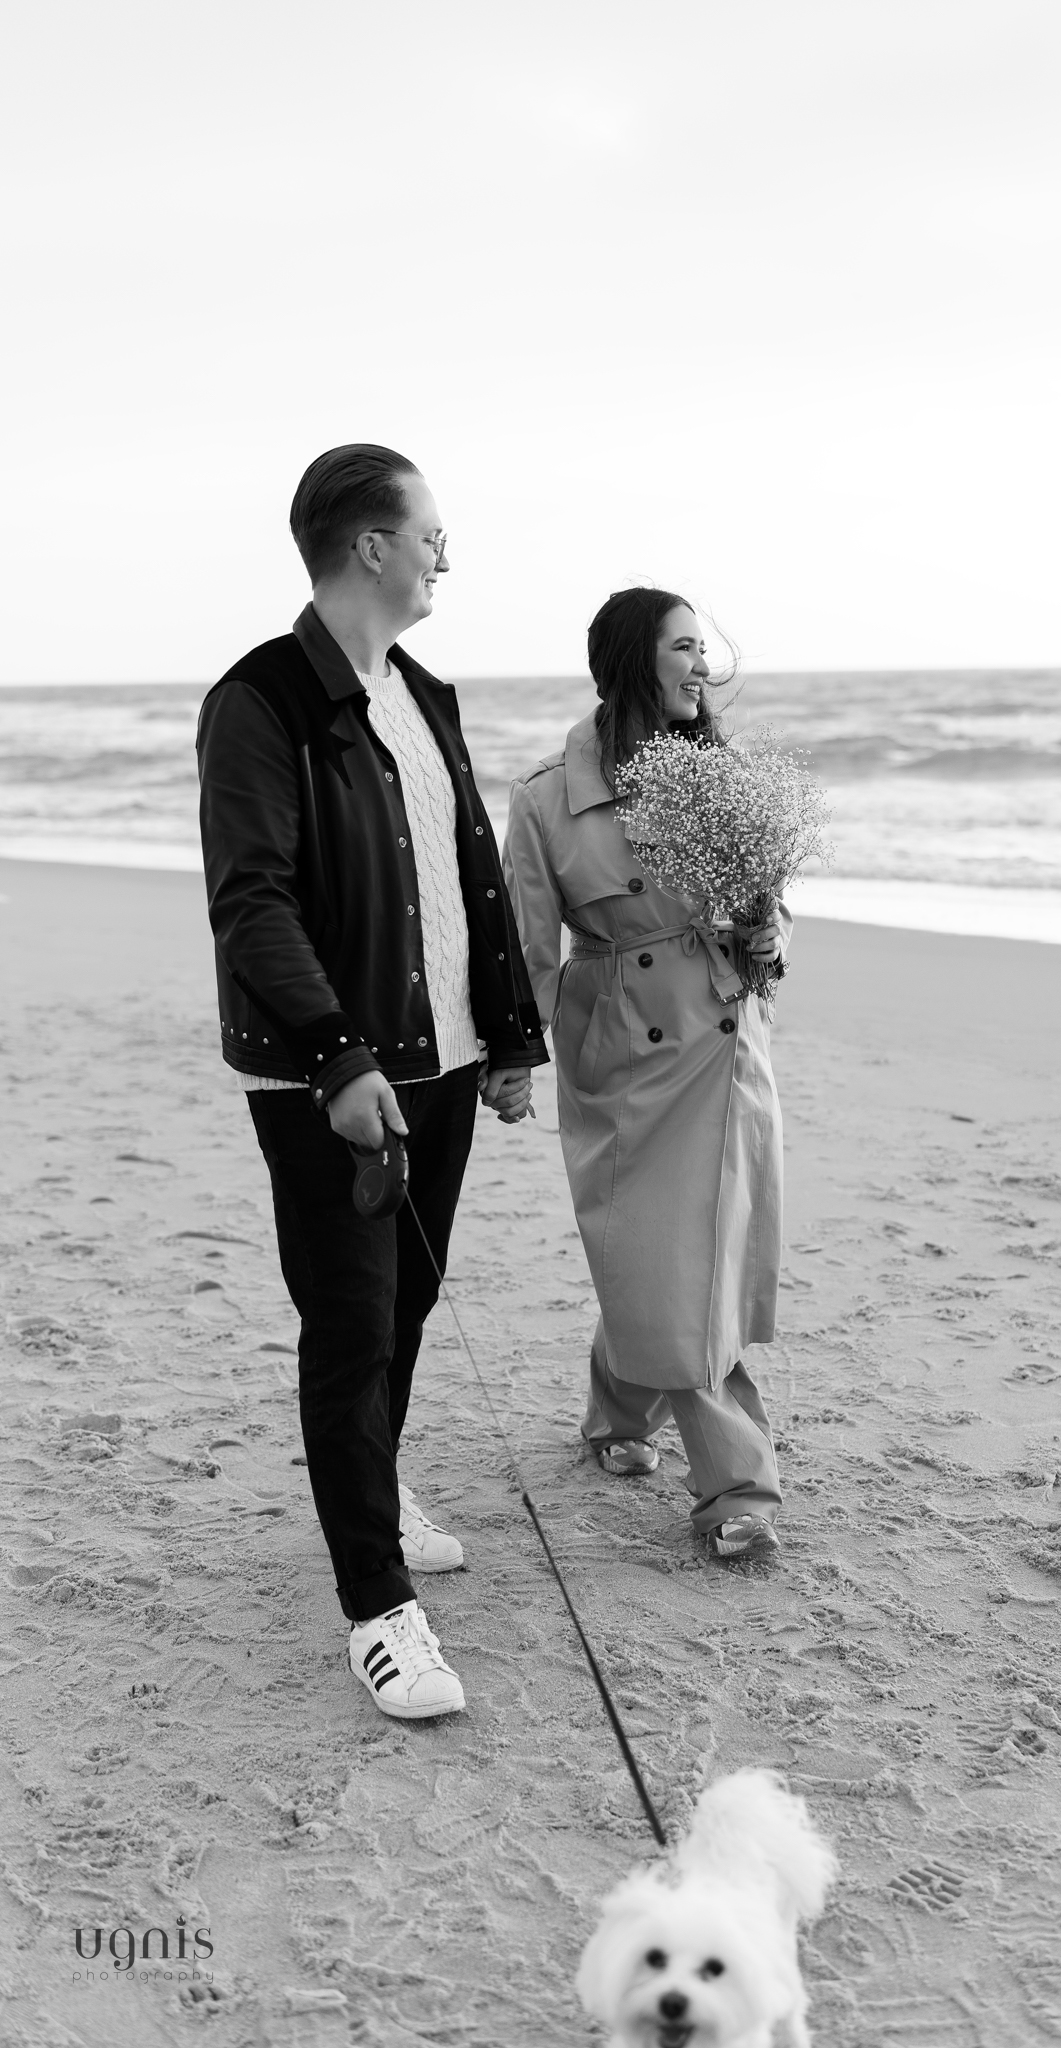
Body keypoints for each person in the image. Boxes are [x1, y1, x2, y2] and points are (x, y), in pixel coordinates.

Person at [197, 444, 549, 1718]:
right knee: (350, 1325)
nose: (446, 554)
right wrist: (336, 1055)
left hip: (441, 1060)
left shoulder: (421, 692)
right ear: (372, 546)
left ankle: (375, 1490)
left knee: (408, 1301)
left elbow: (464, 872)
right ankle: (378, 1606)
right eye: (432, 533)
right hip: (332, 1078)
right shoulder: (263, 699)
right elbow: (253, 899)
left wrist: (506, 1032)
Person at [502, 587, 789, 1561]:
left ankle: (673, 1448)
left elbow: (766, 908)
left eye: (704, 648)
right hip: (623, 1046)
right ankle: (708, 1470)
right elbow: (529, 949)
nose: (702, 665)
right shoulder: (547, 797)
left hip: (722, 1037)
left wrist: (766, 937)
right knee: (658, 1257)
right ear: (633, 660)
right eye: (682, 647)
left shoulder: (720, 772)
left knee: (688, 1263)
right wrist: (516, 1054)